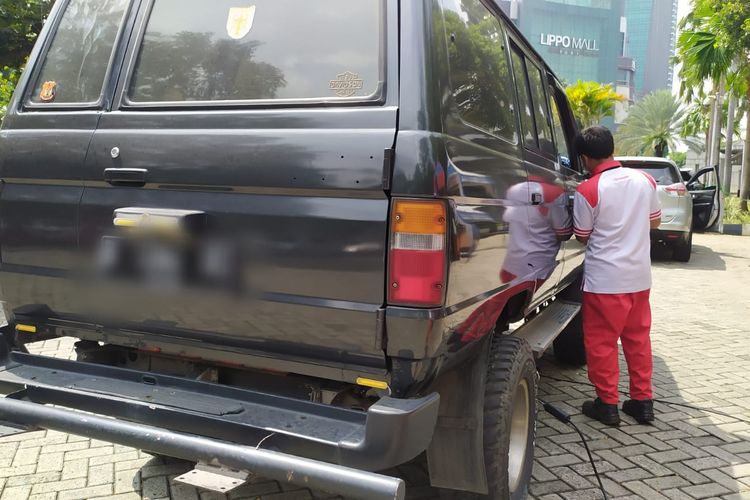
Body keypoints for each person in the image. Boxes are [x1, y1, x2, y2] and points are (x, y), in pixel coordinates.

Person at [572, 126, 661, 426]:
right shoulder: (645, 180)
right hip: (639, 279)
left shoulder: (588, 190)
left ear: (584, 158)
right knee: (638, 340)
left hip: (605, 282)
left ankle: (607, 405)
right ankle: (642, 402)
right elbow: (656, 221)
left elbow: (582, 236)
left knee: (602, 343)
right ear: (612, 149)